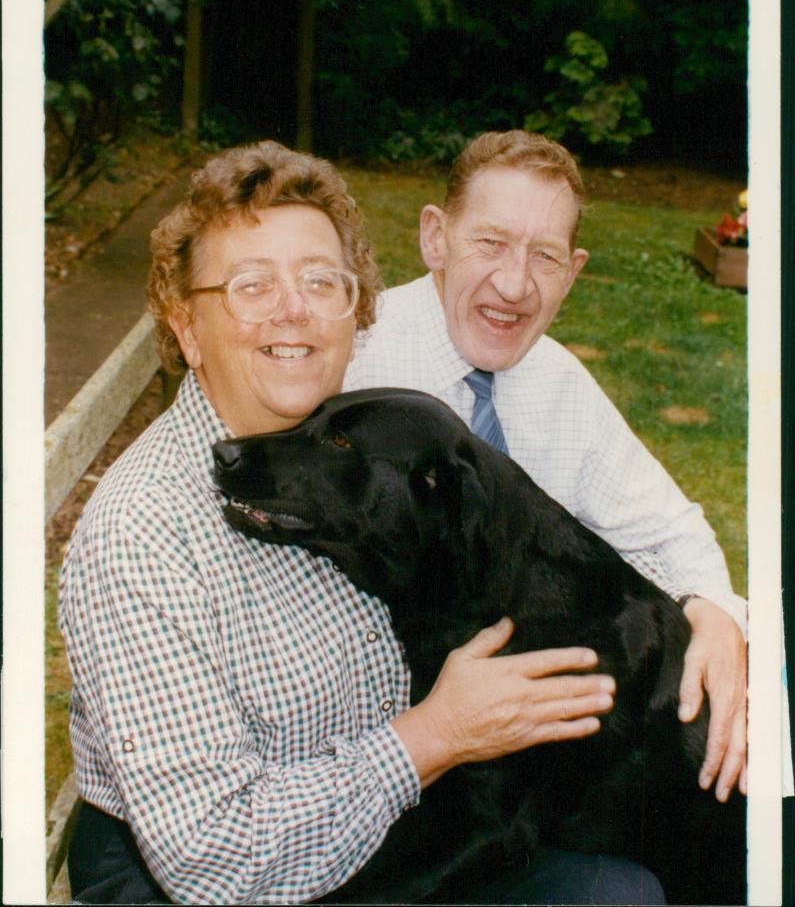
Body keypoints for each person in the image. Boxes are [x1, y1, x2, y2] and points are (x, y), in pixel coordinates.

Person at [59, 140, 665, 905]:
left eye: (322, 281)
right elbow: (213, 856)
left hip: (371, 815)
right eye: (252, 285)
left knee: (623, 890)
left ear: (358, 310)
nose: (295, 309)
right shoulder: (144, 534)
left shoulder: (342, 446)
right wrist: (433, 737)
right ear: (186, 327)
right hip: (208, 874)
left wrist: (707, 610)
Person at [344, 129, 748, 805]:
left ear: (573, 271)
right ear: (434, 237)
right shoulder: (354, 369)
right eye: (490, 243)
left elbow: (668, 528)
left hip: (521, 753)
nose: (513, 284)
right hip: (381, 758)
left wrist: (713, 614)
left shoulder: (552, 382)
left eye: (544, 256)